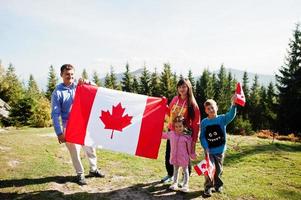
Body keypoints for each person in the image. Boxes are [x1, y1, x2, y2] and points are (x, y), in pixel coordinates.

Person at [51, 64, 105, 185]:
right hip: (69, 126)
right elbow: (55, 114)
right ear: (61, 75)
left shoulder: (80, 85)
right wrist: (59, 133)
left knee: (90, 148)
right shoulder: (57, 92)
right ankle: (80, 174)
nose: (69, 77)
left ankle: (93, 169)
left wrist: (87, 81)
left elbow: (97, 89)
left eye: (71, 74)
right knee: (75, 151)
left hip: (84, 124)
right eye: (67, 74)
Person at [161, 78, 200, 183]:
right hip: (172, 131)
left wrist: (194, 140)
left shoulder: (192, 103)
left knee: (184, 155)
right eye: (179, 87)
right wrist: (164, 104)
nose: (181, 89)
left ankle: (185, 177)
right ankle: (170, 175)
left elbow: (196, 123)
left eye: (184, 86)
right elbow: (169, 113)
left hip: (185, 134)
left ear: (188, 88)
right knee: (170, 153)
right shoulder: (174, 99)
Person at [200, 97, 237, 196]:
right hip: (209, 151)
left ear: (216, 107)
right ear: (205, 111)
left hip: (220, 150)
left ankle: (218, 185)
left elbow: (231, 115)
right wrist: (206, 146)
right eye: (208, 108)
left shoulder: (222, 119)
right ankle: (208, 187)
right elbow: (202, 136)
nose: (211, 110)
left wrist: (233, 105)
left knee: (218, 169)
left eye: (212, 107)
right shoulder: (204, 122)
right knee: (209, 169)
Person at [162, 116, 195, 192]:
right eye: (176, 126)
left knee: (185, 171)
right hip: (174, 157)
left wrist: (192, 154)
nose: (178, 128)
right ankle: (174, 183)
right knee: (175, 170)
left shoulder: (187, 137)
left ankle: (185, 185)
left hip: (183, 157)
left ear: (184, 126)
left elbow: (189, 148)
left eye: (180, 126)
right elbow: (164, 135)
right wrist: (156, 132)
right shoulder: (172, 134)